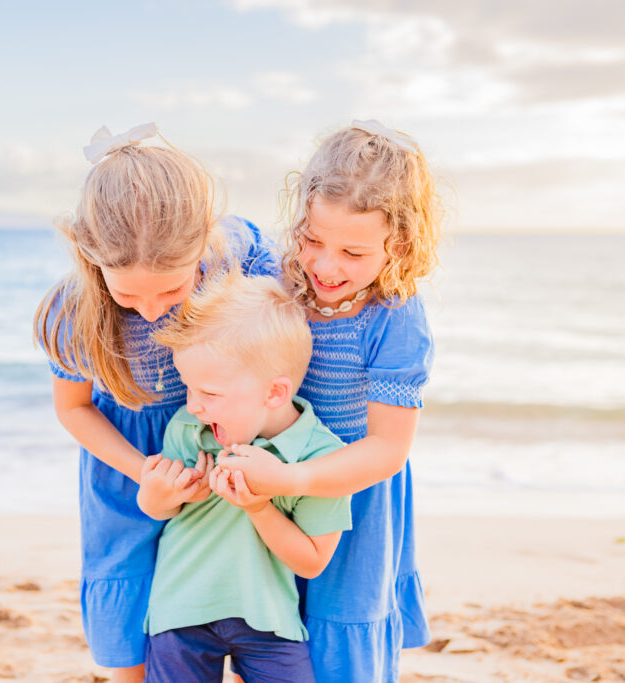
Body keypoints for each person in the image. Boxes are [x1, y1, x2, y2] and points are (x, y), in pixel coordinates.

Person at [33, 123, 278, 683]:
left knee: (236, 589)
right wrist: (145, 472)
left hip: (221, 447)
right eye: (127, 294)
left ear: (203, 245)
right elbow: (73, 408)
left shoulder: (238, 257)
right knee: (130, 590)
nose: (149, 310)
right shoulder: (74, 311)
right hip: (128, 464)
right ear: (91, 260)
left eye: (171, 290)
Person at [216, 119, 441, 682]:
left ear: (400, 245)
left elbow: (388, 449)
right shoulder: (277, 277)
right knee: (267, 636)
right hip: (271, 489)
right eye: (313, 240)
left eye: (354, 252)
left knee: (341, 649)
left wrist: (292, 481)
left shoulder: (395, 316)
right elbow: (220, 232)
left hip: (351, 498)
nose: (326, 266)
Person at [138, 271, 352, 683]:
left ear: (273, 393)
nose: (195, 406)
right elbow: (154, 510)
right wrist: (157, 493)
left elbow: (311, 563)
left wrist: (258, 506)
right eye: (188, 388)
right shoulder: (188, 429)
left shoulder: (321, 458)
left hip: (268, 618)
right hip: (180, 608)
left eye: (210, 394)